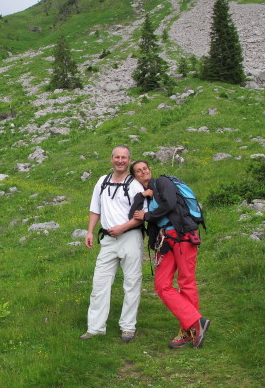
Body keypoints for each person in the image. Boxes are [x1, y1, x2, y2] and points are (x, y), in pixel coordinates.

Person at [129, 160, 210, 349]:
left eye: (145, 169)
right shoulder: (146, 195)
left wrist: (148, 216)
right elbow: (133, 215)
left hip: (182, 236)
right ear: (135, 177)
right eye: (138, 171)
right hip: (165, 241)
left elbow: (171, 203)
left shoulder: (163, 182)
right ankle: (196, 322)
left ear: (150, 170)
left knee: (186, 282)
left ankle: (189, 330)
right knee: (161, 285)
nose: (143, 172)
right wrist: (141, 196)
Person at [81, 145, 146, 343]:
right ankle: (95, 328)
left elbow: (141, 216)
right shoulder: (102, 182)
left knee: (131, 283)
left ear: (129, 160)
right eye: (117, 157)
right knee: (100, 283)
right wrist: (90, 231)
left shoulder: (135, 185)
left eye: (124, 158)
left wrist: (123, 228)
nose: (120, 161)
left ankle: (128, 328)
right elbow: (95, 209)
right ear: (111, 159)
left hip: (130, 238)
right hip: (108, 240)